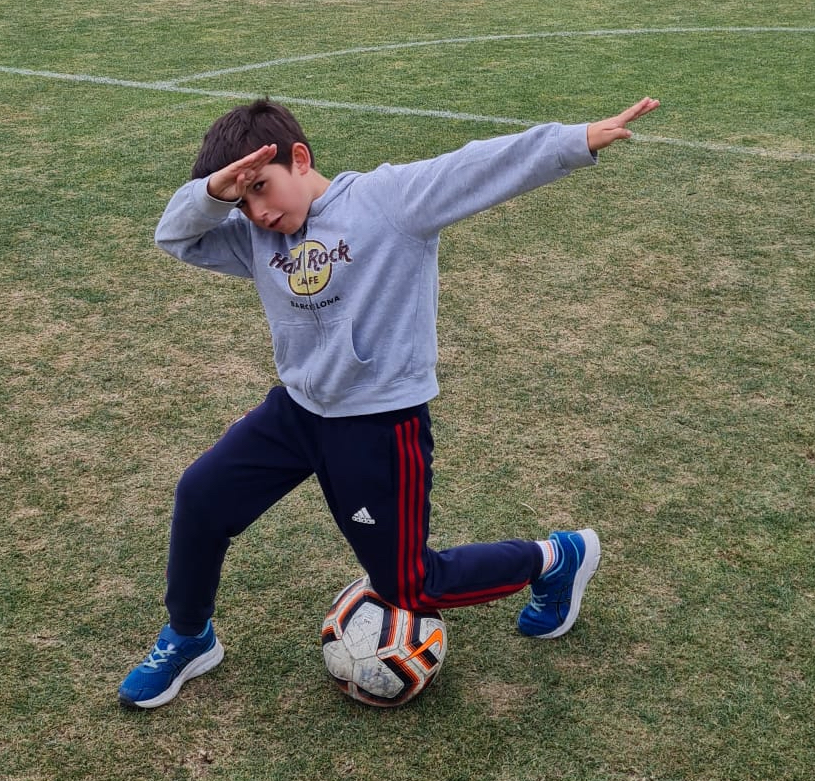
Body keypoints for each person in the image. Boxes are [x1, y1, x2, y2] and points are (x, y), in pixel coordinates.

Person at [119, 92, 659, 708]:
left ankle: (556, 559)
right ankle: (190, 637)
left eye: (262, 188)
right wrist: (214, 194)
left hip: (378, 422)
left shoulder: (388, 202)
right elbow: (175, 236)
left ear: (301, 159)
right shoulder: (252, 236)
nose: (258, 212)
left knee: (408, 583)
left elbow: (477, 166)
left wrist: (574, 140)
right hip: (298, 412)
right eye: (242, 201)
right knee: (201, 495)